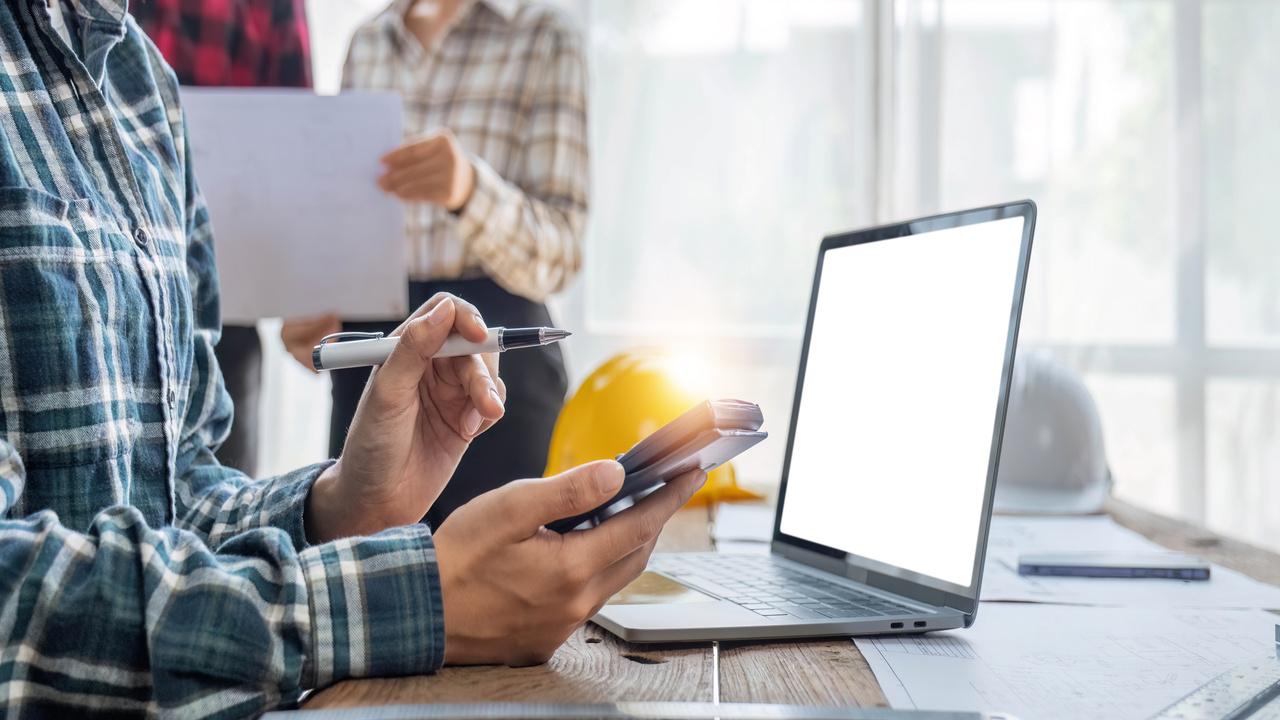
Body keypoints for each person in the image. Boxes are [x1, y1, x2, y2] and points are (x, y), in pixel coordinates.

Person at [0, 1, 703, 715]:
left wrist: (334, 508)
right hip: (380, 340)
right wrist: (402, 600)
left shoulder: (143, 83)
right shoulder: (367, 41)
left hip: (489, 353)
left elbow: (173, 491)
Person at [281, 0, 587, 527]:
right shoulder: (369, 40)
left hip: (496, 354)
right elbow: (348, 208)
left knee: (497, 585)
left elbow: (561, 252)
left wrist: (469, 190)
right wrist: (319, 296)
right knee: (361, 585)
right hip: (376, 351)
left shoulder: (546, 35)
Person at [129, 0, 315, 477]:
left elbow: (299, 141)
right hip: (96, 298)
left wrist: (308, 287)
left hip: (223, 312)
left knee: (223, 501)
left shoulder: (272, 7)